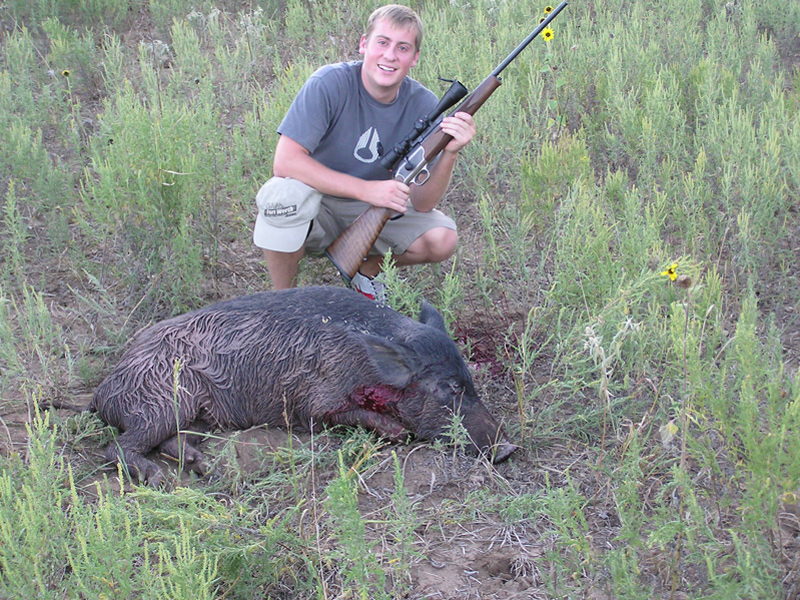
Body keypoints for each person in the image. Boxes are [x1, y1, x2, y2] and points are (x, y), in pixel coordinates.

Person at [253, 4, 476, 301]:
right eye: (382, 42)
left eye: (403, 47)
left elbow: (422, 203)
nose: (390, 55)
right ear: (363, 44)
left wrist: (450, 153)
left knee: (442, 239)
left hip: (376, 208)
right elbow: (285, 162)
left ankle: (365, 269)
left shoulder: (426, 104)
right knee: (281, 197)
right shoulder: (328, 83)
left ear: (415, 58)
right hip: (317, 201)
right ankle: (283, 304)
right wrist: (367, 190)